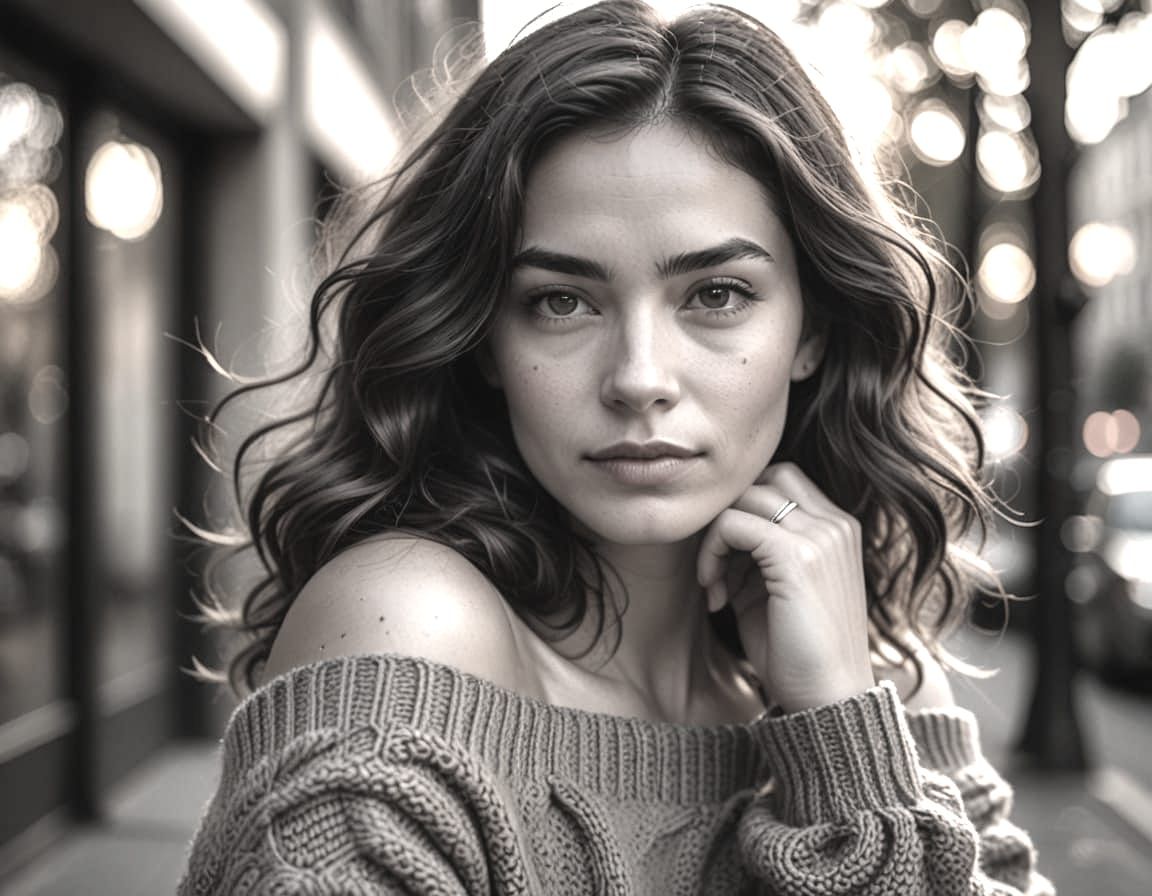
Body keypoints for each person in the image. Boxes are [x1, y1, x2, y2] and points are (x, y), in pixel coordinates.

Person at [178, 2, 1052, 893]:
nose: (639, 377)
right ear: (483, 337)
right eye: (562, 301)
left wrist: (840, 741)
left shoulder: (882, 684)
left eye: (715, 294)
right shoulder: (410, 628)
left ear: (813, 329)